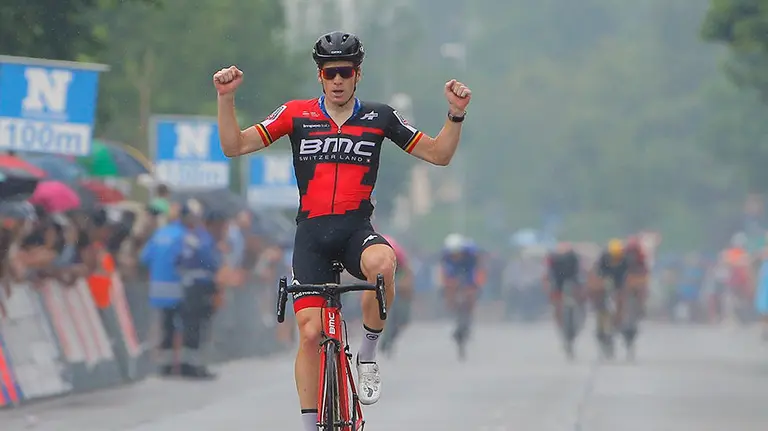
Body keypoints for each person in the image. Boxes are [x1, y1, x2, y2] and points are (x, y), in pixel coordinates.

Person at [213, 30, 471, 429]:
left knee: (384, 264)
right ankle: (309, 424)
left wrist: (455, 114)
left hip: (355, 231)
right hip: (312, 235)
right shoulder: (295, 114)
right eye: (330, 72)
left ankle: (367, 355)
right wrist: (226, 99)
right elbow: (234, 146)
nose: (337, 80)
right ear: (320, 75)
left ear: (357, 74)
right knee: (311, 333)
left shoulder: (379, 117)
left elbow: (438, 154)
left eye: (345, 72)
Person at [176, 207, 224, 379]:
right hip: (201, 288)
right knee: (199, 328)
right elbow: (211, 262)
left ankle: (189, 365)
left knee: (192, 327)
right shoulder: (206, 241)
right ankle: (195, 367)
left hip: (190, 286)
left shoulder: (194, 238)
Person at [440, 233, 483, 360]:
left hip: (469, 267)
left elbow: (476, 270)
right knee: (450, 286)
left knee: (471, 290)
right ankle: (452, 309)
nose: (456, 256)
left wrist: (472, 287)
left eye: (457, 253)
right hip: (454, 269)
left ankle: (469, 310)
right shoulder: (447, 255)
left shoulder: (471, 252)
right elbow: (445, 272)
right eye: (453, 254)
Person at [379, 234, 415, 357]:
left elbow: (407, 274)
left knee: (403, 316)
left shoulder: (399, 255)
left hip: (398, 273)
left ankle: (395, 329)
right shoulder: (373, 254)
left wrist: (405, 288)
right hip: (378, 271)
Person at [545, 242, 583, 329]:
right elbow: (549, 273)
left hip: (571, 280)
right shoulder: (554, 258)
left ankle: (577, 315)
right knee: (557, 303)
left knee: (578, 295)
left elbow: (578, 272)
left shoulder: (573, 258)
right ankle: (560, 323)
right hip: (559, 281)